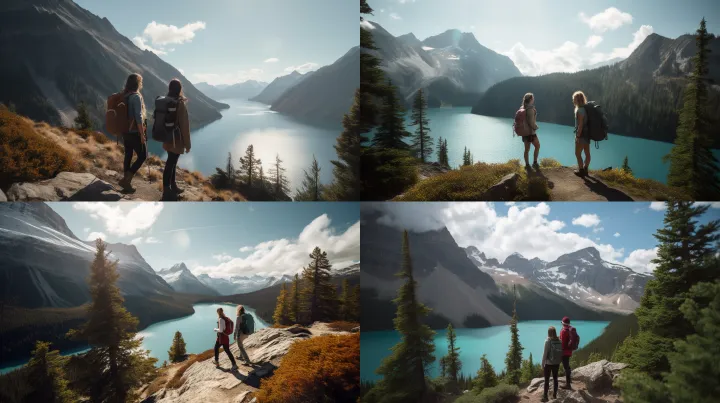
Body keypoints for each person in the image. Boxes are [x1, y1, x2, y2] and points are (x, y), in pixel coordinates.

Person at [161, 79, 191, 198]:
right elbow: (184, 125)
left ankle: (172, 186)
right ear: (179, 89)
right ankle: (166, 189)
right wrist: (188, 145)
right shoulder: (179, 103)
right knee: (171, 163)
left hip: (167, 136)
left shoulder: (165, 101)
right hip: (176, 139)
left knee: (171, 162)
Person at [118, 73, 147, 191]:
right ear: (138, 84)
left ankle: (126, 183)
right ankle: (127, 179)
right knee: (143, 155)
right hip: (134, 131)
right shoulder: (136, 96)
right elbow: (138, 116)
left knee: (128, 154)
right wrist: (142, 134)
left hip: (125, 131)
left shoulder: (124, 95)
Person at [541, 326, 563, 402]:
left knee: (546, 380)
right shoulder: (560, 341)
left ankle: (545, 396)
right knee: (555, 379)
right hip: (556, 363)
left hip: (548, 363)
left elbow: (545, 354)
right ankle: (554, 395)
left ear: (548, 333)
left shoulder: (547, 341)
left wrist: (542, 364)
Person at [572, 91, 591, 177]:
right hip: (587, 134)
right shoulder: (585, 109)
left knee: (577, 153)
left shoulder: (579, 110)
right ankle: (585, 169)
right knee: (587, 153)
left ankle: (581, 171)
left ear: (578, 100)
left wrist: (578, 136)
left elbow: (580, 125)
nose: (573, 100)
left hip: (581, 134)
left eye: (574, 99)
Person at [521, 93, 540, 170]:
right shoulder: (530, 109)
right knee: (537, 146)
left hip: (525, 132)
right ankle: (535, 163)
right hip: (531, 133)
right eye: (533, 98)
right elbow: (531, 122)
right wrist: (536, 127)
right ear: (531, 99)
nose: (534, 99)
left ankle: (527, 165)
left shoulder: (523, 107)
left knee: (526, 149)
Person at [559, 316, 574, 389]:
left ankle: (568, 384)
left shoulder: (563, 331)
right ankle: (569, 380)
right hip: (569, 351)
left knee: (566, 367)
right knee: (567, 366)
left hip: (564, 352)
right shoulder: (570, 329)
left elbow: (562, 343)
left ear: (563, 323)